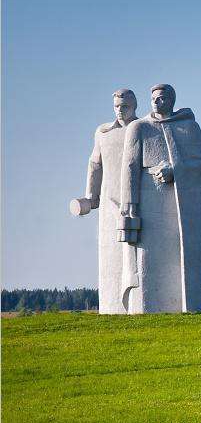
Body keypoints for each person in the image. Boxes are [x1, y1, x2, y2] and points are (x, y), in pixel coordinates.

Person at [120, 83, 201, 313]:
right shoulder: (139, 128)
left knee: (178, 255)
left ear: (171, 100)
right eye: (153, 99)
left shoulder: (189, 128)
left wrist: (176, 169)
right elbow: (129, 168)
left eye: (161, 98)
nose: (156, 102)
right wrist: (129, 207)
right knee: (148, 258)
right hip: (148, 202)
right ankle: (146, 307)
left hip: (180, 207)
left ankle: (183, 306)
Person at [69, 89, 138, 314]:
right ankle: (112, 305)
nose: (120, 110)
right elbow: (95, 164)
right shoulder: (103, 132)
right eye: (117, 106)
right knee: (110, 254)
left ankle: (136, 302)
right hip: (109, 201)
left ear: (134, 106)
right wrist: (91, 196)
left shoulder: (143, 128)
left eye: (124, 106)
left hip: (137, 200)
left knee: (135, 253)